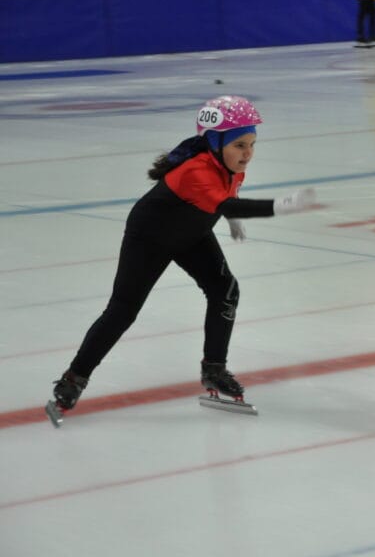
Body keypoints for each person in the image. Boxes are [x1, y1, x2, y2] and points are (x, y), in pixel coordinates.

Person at [47, 96, 317, 421]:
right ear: (214, 143)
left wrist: (231, 216)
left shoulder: (229, 164)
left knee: (225, 290)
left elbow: (227, 196)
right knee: (123, 311)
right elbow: (225, 204)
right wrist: (281, 205)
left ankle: (214, 369)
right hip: (150, 238)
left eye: (252, 144)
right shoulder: (195, 169)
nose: (248, 154)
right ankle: (74, 379)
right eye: (240, 145)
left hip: (192, 233)